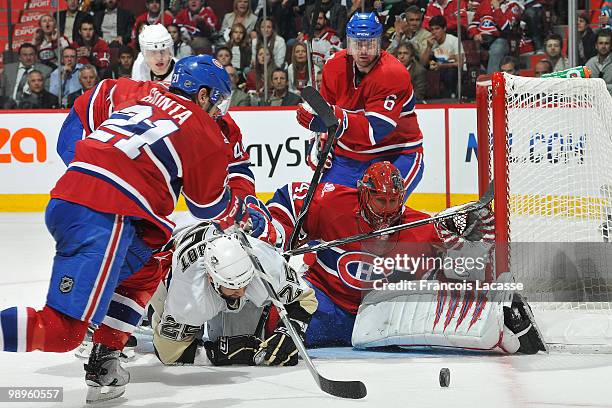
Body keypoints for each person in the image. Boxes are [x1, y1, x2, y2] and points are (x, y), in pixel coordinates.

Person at [0, 55, 251, 403]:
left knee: (151, 263)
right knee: (63, 333)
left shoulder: (136, 90)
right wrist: (241, 208)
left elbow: (83, 108)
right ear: (204, 94)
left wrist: (87, 167)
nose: (221, 111)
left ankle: (105, 358)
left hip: (78, 199)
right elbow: (206, 206)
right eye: (219, 101)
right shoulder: (206, 130)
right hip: (105, 214)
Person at [265, 161, 544, 354]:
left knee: (443, 329)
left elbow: (461, 273)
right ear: (364, 196)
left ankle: (510, 319)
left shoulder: (420, 228)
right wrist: (278, 232)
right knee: (272, 326)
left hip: (378, 313)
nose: (388, 211)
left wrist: (469, 244)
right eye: (380, 201)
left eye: (393, 201)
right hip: (326, 299)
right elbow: (288, 198)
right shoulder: (332, 203)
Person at [296, 12, 424, 198]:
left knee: (380, 213)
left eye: (370, 44)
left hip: (395, 154)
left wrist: (332, 119)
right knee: (323, 211)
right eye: (357, 44)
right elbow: (325, 113)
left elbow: (375, 131)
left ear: (379, 43)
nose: (363, 51)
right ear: (348, 42)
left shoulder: (393, 73)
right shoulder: (333, 66)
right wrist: (318, 143)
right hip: (349, 158)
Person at [151, 226, 317, 367]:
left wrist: (289, 333)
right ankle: (151, 314)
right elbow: (168, 354)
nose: (242, 292)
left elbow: (306, 299)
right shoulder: (189, 298)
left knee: (249, 341)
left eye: (245, 283)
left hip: (222, 247)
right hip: (171, 261)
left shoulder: (264, 264)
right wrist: (218, 354)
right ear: (211, 279)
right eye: (234, 287)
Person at [467, 0, 523, 74]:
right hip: (481, 39)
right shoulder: (485, 3)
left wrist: (497, 9)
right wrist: (475, 34)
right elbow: (473, 24)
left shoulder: (512, 6)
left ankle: (492, 81)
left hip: (501, 39)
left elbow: (507, 28)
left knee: (497, 47)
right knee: (468, 48)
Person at [422, 15, 464, 98]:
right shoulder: (432, 43)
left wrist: (442, 66)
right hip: (439, 71)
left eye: (437, 29)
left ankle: (451, 98)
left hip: (454, 71)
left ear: (444, 29)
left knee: (450, 72)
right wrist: (428, 47)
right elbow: (423, 64)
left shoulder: (454, 40)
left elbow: (460, 63)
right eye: (432, 29)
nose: (434, 32)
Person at [586, 30, 612, 96]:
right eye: (600, 43)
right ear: (596, 46)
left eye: (606, 43)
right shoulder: (590, 63)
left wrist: (601, 87)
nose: (603, 46)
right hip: (594, 102)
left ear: (611, 46)